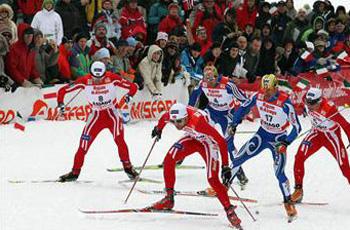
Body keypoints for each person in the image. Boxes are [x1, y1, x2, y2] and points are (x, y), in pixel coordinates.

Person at [149, 103, 242, 229]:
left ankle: (229, 210)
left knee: (212, 178)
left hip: (207, 142)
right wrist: (158, 129)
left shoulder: (199, 122)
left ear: (187, 117)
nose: (177, 125)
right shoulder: (174, 115)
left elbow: (220, 141)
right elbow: (164, 118)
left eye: (179, 122)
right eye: (174, 122)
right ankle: (169, 198)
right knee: (169, 160)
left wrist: (225, 166)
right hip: (192, 137)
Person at [228, 74, 302, 221]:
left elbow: (297, 127)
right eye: (264, 88)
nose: (266, 92)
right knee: (238, 158)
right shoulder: (258, 96)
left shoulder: (284, 102)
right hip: (262, 135)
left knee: (279, 172)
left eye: (269, 89)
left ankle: (288, 202)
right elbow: (243, 108)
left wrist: (286, 143)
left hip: (278, 139)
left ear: (275, 87)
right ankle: (224, 186)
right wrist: (234, 123)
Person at [57, 61, 139, 182]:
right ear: (91, 74)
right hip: (95, 116)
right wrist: (60, 103)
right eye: (94, 78)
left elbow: (133, 87)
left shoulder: (112, 77)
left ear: (104, 73)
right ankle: (75, 172)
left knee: (120, 140)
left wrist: (129, 96)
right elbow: (62, 91)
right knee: (83, 145)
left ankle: (128, 168)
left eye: (100, 78)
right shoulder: (85, 80)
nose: (97, 81)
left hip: (112, 114)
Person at [189, 65, 249, 188]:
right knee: (195, 131)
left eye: (211, 79)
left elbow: (245, 101)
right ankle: (180, 157)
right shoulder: (203, 83)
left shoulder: (228, 85)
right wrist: (189, 110)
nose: (209, 83)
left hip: (226, 115)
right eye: (206, 79)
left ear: (217, 77)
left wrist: (238, 117)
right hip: (211, 111)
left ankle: (239, 171)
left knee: (228, 144)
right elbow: (194, 95)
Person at [291, 88, 350, 203]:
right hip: (316, 133)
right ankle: (298, 191)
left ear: (319, 100)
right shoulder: (306, 100)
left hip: (331, 137)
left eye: (312, 103)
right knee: (299, 157)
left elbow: (346, 125)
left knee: (345, 168)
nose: (309, 105)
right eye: (308, 102)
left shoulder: (329, 109)